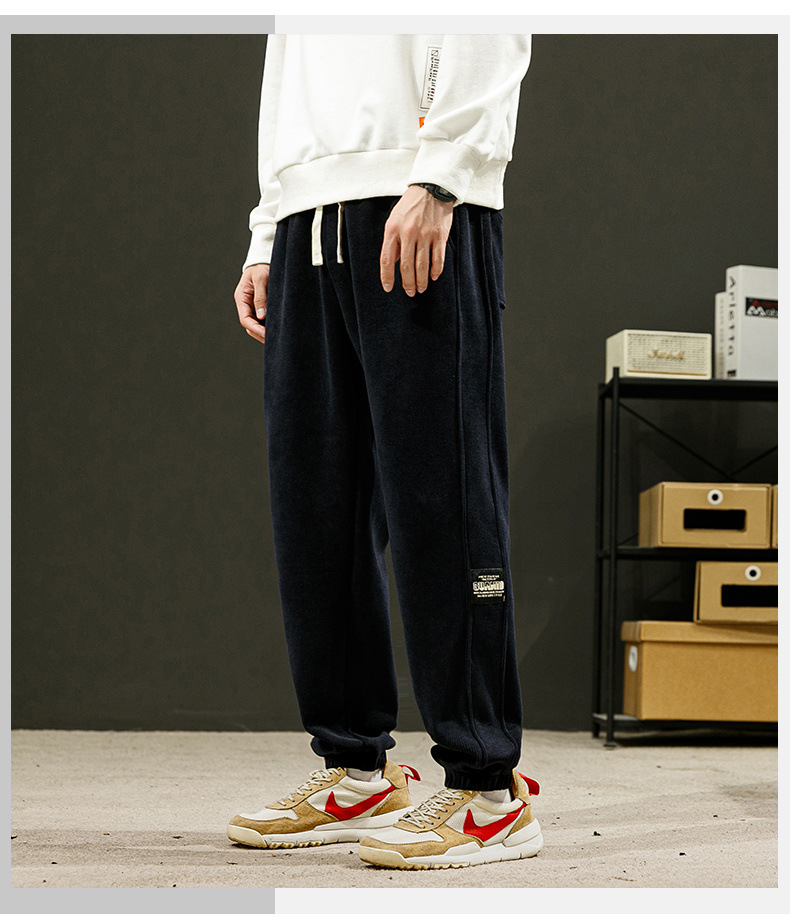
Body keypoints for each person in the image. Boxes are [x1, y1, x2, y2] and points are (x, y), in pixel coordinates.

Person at [229, 33, 541, 871]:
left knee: (443, 498)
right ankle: (355, 769)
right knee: (317, 511)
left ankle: (488, 789)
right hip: (308, 220)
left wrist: (445, 172)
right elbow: (289, 66)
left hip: (418, 195)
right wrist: (268, 229)